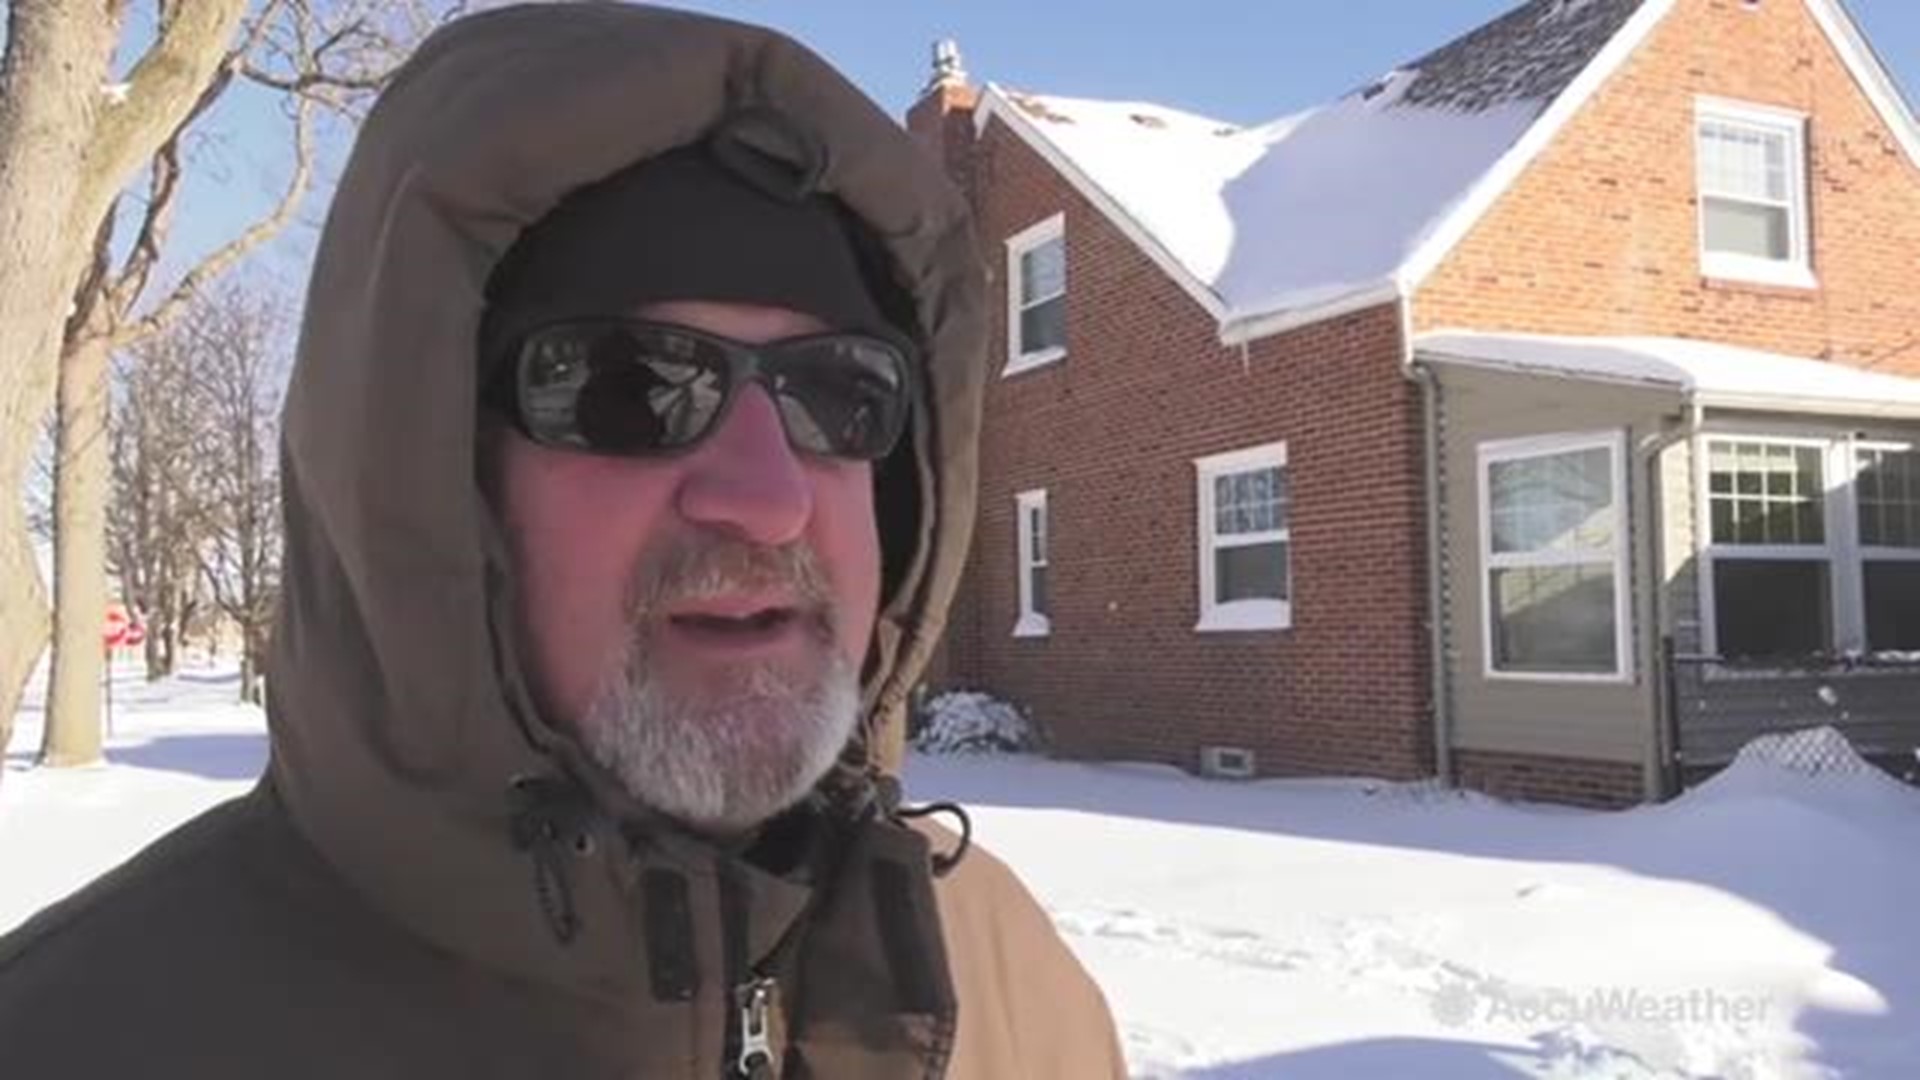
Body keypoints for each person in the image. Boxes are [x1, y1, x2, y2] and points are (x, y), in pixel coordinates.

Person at [0, 4, 1126, 1076]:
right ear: (427, 472)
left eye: (840, 395)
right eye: (630, 389)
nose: (768, 497)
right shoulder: (83, 1035)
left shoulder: (1003, 982)